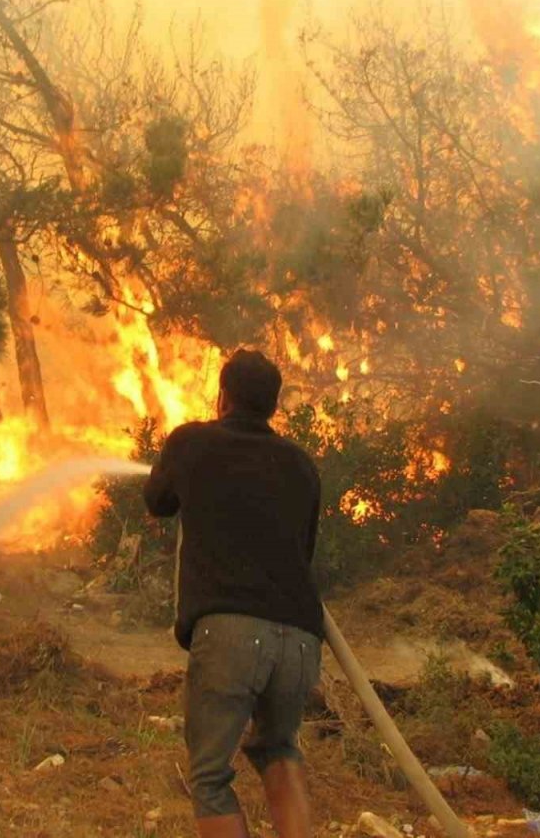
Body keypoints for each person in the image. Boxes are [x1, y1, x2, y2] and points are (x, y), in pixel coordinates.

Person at [144, 348, 324, 838]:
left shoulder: (192, 443)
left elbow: (157, 501)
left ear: (222, 396)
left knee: (210, 776)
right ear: (273, 406)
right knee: (280, 749)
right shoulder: (302, 465)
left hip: (230, 634)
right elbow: (303, 552)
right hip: (302, 639)